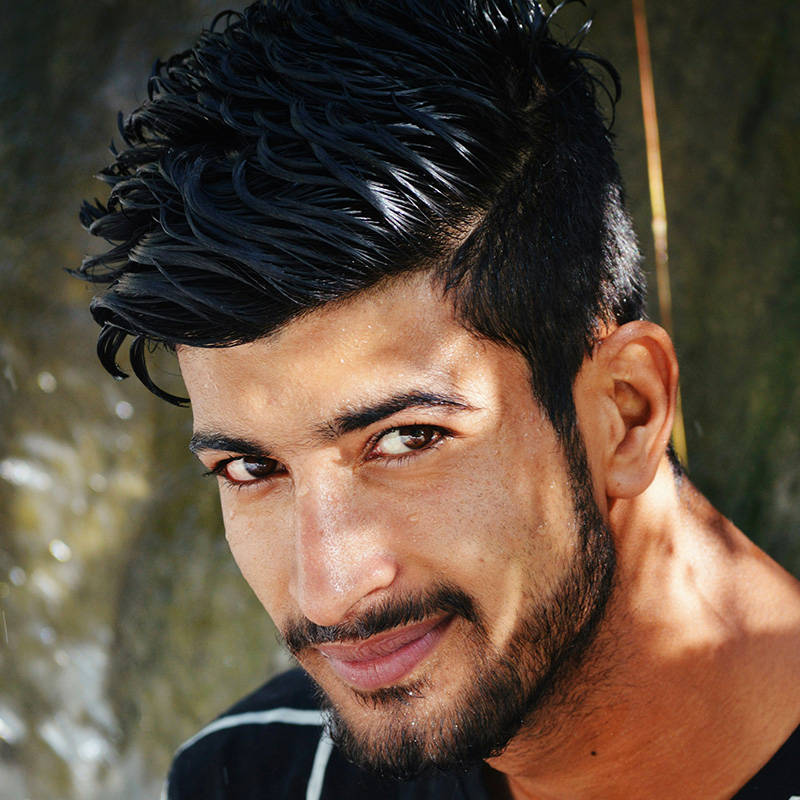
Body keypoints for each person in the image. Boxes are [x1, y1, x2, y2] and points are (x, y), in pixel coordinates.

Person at [75, 1, 800, 797]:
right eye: (252, 468)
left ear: (626, 412)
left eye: (406, 438)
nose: (329, 590)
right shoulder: (253, 776)